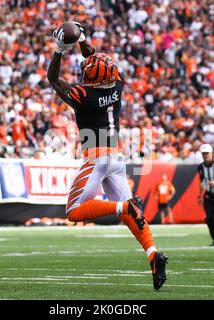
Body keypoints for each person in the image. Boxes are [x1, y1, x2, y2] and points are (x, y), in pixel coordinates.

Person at [48, 22, 167, 290]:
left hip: (96, 157)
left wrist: (60, 49)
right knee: (132, 218)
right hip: (116, 156)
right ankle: (153, 255)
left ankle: (123, 206)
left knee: (75, 211)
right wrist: (83, 40)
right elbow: (95, 59)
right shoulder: (118, 83)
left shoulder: (84, 95)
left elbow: (53, 79)